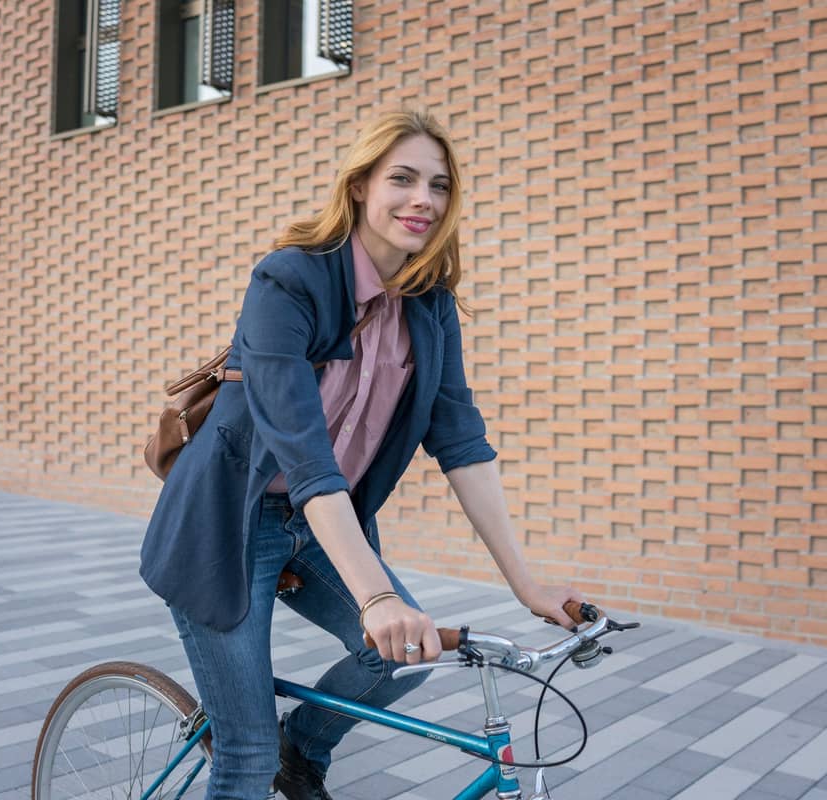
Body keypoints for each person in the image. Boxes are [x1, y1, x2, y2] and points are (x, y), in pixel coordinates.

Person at [140, 109, 583, 800]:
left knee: (403, 657)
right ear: (358, 187)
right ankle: (263, 750)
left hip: (322, 523)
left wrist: (527, 587)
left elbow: (461, 443)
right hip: (229, 524)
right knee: (245, 754)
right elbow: (305, 452)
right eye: (402, 179)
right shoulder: (288, 281)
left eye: (438, 185)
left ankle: (302, 750)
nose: (422, 199)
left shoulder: (430, 304)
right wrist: (375, 595)